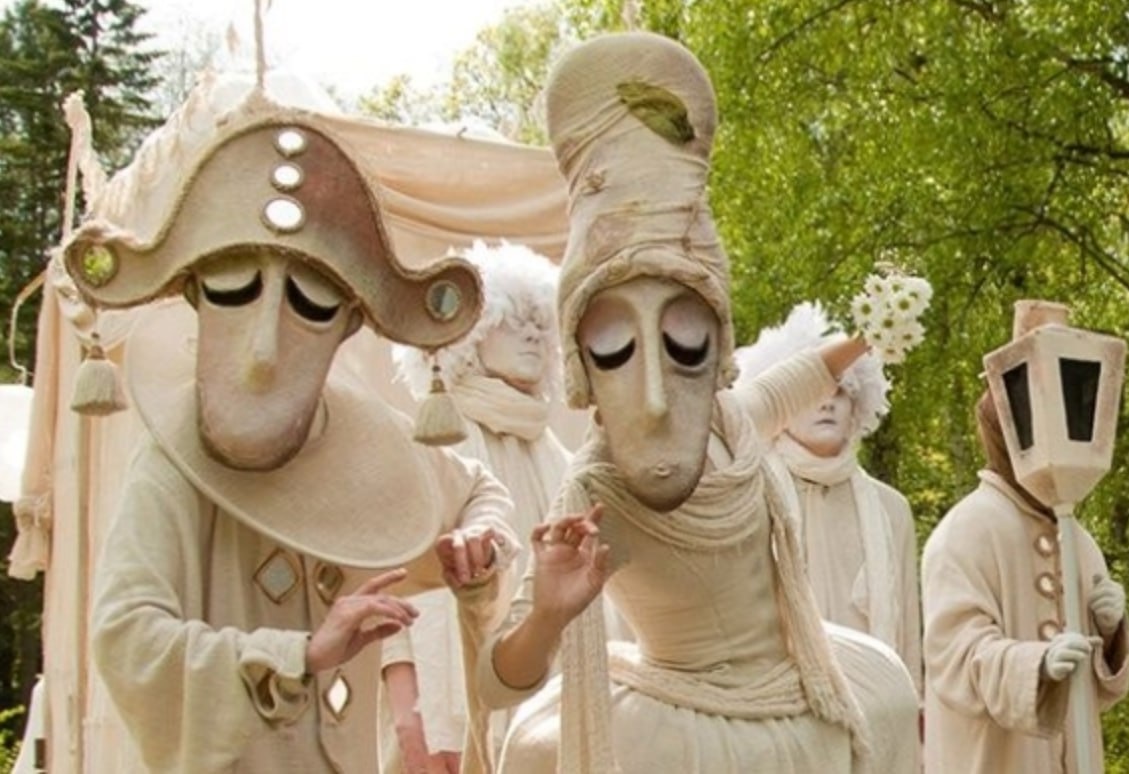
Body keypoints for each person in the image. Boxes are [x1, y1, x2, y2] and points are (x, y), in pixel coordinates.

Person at [474, 31, 920, 773]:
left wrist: (869, 332)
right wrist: (550, 611)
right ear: (584, 362)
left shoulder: (735, 422)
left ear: (714, 340)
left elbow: (799, 378)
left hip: (796, 682)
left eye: (682, 342)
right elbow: (498, 682)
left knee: (890, 695)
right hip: (683, 725)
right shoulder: (595, 491)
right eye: (615, 348)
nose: (654, 399)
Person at [61, 112, 520, 773]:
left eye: (310, 304)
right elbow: (125, 637)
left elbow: (478, 491)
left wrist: (478, 544)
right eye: (234, 291)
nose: (264, 350)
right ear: (196, 297)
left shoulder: (366, 441)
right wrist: (298, 654)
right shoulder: (172, 462)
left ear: (349, 324)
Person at [383, 240, 573, 773]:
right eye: (512, 319)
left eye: (539, 321)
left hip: (546, 713)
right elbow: (392, 576)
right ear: (469, 334)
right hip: (441, 722)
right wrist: (408, 707)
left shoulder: (560, 458)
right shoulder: (437, 441)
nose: (532, 334)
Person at [921, 389, 1129, 772]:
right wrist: (1036, 664)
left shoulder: (1079, 540)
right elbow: (953, 657)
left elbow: (1099, 693)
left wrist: (1110, 632)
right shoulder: (965, 530)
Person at [735, 301, 922, 693]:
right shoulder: (748, 496)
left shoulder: (891, 509)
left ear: (857, 405)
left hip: (875, 706)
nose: (826, 402)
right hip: (778, 704)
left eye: (841, 391)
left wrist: (912, 707)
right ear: (781, 405)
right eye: (813, 391)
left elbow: (907, 631)